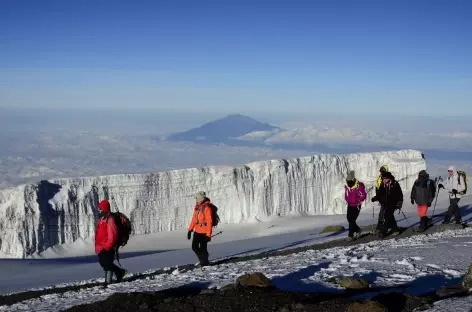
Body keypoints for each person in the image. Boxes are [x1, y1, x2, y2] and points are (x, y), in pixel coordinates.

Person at [95, 200, 126, 285]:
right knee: (104, 264)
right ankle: (111, 278)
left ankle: (114, 277)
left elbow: (113, 235)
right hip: (101, 246)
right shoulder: (102, 218)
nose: (99, 210)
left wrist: (107, 246)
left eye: (100, 209)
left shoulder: (110, 219)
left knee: (108, 264)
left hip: (108, 246)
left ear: (104, 209)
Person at [371, 171, 403, 238]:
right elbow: (380, 194)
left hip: (393, 203)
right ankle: (395, 230)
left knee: (387, 216)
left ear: (389, 178)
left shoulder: (395, 184)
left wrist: (399, 203)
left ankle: (383, 232)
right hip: (385, 203)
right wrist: (375, 198)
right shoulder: (383, 184)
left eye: (385, 178)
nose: (383, 180)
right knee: (390, 217)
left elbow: (400, 194)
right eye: (383, 178)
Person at [187, 191, 213, 266]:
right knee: (194, 247)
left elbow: (209, 222)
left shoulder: (207, 208)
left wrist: (208, 235)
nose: (196, 200)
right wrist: (190, 230)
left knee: (203, 248)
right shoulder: (197, 207)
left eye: (197, 198)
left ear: (201, 199)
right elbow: (194, 219)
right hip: (197, 231)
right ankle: (203, 259)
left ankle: (204, 262)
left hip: (204, 232)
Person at [344, 170, 367, 241]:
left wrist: (358, 201)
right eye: (347, 181)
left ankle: (350, 235)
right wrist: (347, 199)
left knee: (352, 220)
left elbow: (363, 195)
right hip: (350, 204)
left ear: (353, 180)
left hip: (356, 205)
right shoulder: (348, 186)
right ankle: (357, 230)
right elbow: (347, 194)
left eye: (349, 181)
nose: (348, 183)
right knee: (349, 219)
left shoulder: (358, 186)